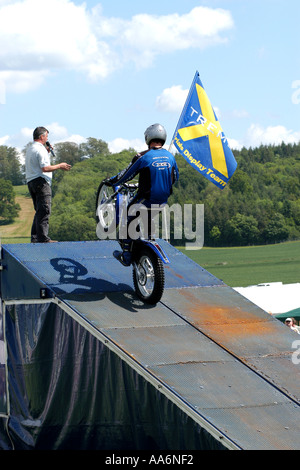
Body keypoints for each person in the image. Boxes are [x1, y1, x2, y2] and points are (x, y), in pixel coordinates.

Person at [107, 123, 179, 266]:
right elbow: (175, 177)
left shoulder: (145, 157)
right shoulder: (170, 157)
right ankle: (149, 238)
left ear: (148, 138)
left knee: (128, 215)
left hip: (146, 198)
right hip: (163, 200)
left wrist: (112, 181)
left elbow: (126, 175)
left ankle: (126, 255)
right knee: (147, 216)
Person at [25, 126, 71, 243]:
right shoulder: (40, 149)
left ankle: (35, 237)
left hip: (31, 181)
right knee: (45, 210)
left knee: (39, 210)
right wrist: (60, 165)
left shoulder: (31, 148)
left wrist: (47, 152)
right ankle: (43, 238)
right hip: (41, 182)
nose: (47, 138)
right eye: (46, 136)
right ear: (42, 136)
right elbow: (45, 168)